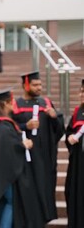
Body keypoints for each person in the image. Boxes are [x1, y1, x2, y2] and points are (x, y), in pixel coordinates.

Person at [0, 88, 46, 228]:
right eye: (11, 102)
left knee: (6, 203)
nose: (13, 104)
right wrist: (24, 145)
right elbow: (10, 150)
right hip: (5, 176)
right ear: (5, 104)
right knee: (11, 202)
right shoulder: (3, 126)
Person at [11, 71, 65, 224]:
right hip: (25, 157)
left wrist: (55, 118)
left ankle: (42, 219)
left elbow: (58, 131)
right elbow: (8, 128)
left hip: (43, 158)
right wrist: (24, 126)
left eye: (40, 84)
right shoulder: (16, 105)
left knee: (43, 187)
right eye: (35, 85)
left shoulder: (46, 103)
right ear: (25, 85)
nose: (39, 88)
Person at [64, 79, 84, 228]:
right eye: (81, 91)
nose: (82, 94)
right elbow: (70, 131)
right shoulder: (78, 112)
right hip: (79, 165)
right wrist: (70, 137)